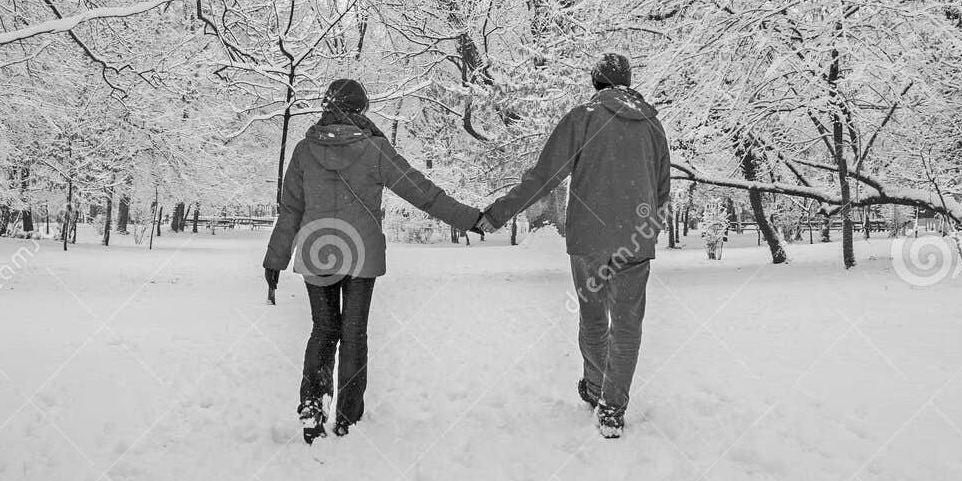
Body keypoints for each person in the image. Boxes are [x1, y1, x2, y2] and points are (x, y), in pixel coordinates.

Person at [264, 79, 483, 444]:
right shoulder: (375, 149)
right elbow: (422, 192)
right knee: (353, 333)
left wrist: (275, 258)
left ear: (326, 106)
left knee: (323, 329)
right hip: (360, 252)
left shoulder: (304, 150)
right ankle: (348, 416)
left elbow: (291, 209)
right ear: (361, 110)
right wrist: (469, 218)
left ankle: (312, 405)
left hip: (318, 249)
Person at [477, 53, 669, 438]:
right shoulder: (652, 124)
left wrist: (497, 214)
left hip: (590, 240)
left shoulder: (583, 118)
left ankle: (596, 386)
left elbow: (543, 178)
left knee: (594, 315)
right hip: (636, 239)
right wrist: (648, 228)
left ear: (595, 83)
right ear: (628, 82)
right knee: (628, 323)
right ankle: (613, 408)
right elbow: (662, 188)